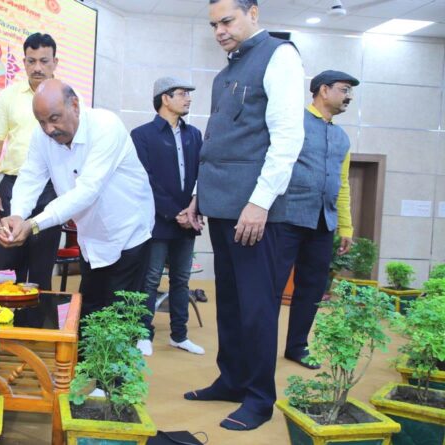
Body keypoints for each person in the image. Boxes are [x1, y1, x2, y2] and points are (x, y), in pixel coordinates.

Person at [182, 0, 305, 431]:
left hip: (257, 212)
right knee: (230, 304)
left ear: (253, 12)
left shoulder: (279, 56)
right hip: (221, 206)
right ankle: (232, 380)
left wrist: (260, 201)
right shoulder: (224, 74)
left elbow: (288, 136)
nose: (219, 30)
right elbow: (217, 142)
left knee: (257, 307)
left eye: (227, 20)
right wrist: (199, 195)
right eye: (214, 24)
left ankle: (258, 397)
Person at [0, 79, 154, 331]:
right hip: (91, 239)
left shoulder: (105, 125)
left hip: (127, 236)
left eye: (55, 118)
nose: (49, 129)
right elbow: (31, 176)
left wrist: (33, 224)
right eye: (42, 122)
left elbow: (87, 191)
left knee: (117, 322)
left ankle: (112, 372)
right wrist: (17, 214)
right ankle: (80, 371)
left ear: (75, 106)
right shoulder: (43, 136)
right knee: (87, 315)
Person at [275, 70, 359, 370]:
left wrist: (346, 225)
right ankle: (258, 349)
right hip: (286, 219)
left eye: (350, 91)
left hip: (324, 224)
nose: (348, 96)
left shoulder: (341, 136)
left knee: (311, 289)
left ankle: (297, 347)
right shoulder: (293, 123)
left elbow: (343, 182)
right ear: (323, 90)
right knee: (271, 289)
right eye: (344, 89)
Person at [131, 77, 204, 357]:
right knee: (150, 279)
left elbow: (201, 175)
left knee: (182, 280)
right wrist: (175, 213)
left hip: (189, 220)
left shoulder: (194, 135)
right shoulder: (142, 135)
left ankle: (179, 335)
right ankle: (142, 334)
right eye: (182, 93)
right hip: (157, 220)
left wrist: (193, 209)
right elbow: (144, 181)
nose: (188, 98)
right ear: (165, 98)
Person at [0, 33, 62, 290]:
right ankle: (6, 326)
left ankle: (37, 327)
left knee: (41, 268)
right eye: (31, 61)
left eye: (44, 61)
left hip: (51, 190)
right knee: (7, 267)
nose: (37, 67)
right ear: (24, 62)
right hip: (11, 188)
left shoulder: (68, 97)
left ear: (55, 62)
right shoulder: (9, 96)